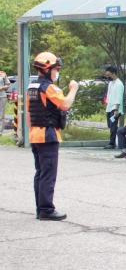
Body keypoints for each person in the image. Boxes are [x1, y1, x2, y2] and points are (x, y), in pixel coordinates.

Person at [28, 51, 79, 221]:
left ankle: (40, 207)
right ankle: (46, 209)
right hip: (48, 135)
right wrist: (74, 89)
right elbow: (64, 105)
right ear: (47, 69)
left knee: (41, 172)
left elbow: (29, 114)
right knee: (48, 173)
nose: (56, 73)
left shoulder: (32, 87)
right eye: (55, 69)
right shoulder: (49, 87)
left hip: (35, 134)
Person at [103, 66, 125, 150]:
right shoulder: (111, 83)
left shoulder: (119, 84)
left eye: (109, 75)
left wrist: (116, 109)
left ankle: (112, 143)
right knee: (110, 124)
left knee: (113, 125)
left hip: (115, 108)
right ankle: (119, 138)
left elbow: (119, 97)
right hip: (109, 107)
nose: (108, 77)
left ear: (114, 73)